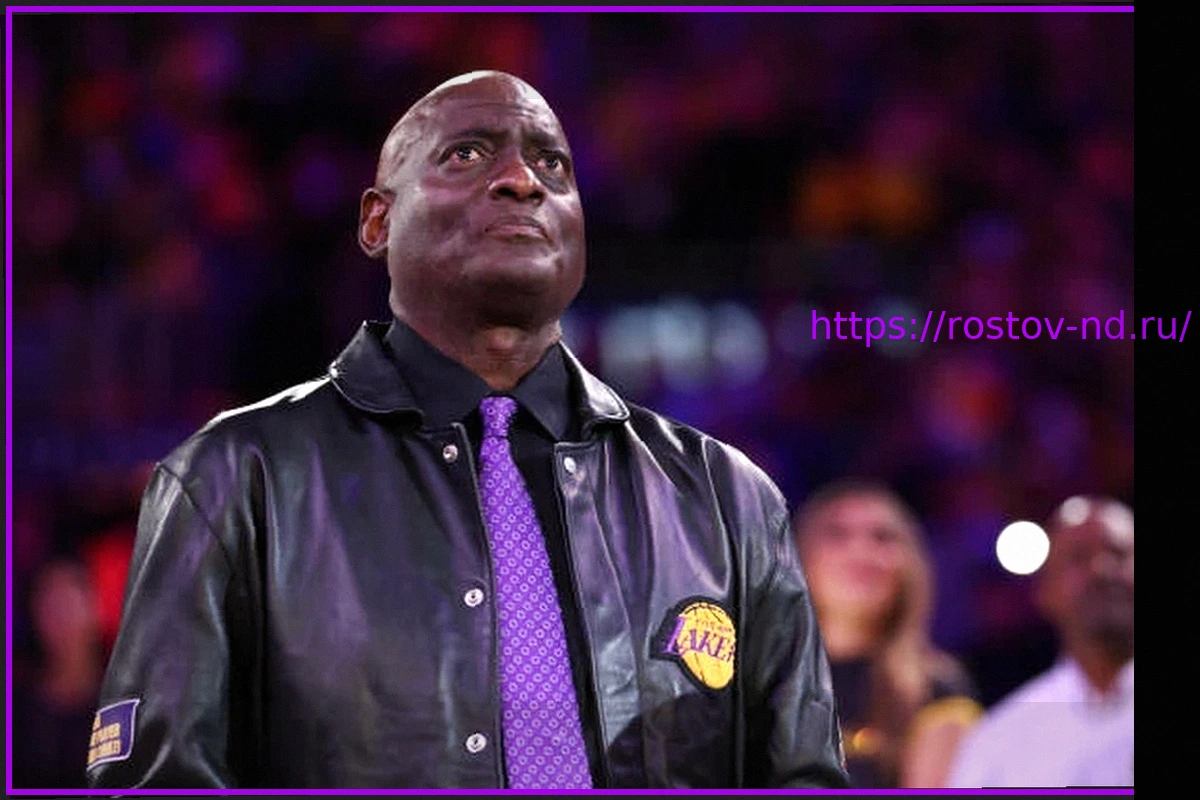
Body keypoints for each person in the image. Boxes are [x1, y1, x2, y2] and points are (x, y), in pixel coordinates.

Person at [86, 71, 849, 789]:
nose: (522, 179)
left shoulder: (726, 499)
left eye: (552, 164)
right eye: (467, 154)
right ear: (378, 221)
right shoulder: (235, 477)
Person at [793, 480, 982, 788]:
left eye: (883, 537)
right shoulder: (757, 681)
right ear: (798, 556)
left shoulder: (937, 689)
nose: (861, 552)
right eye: (837, 534)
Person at [948, 495, 1134, 787]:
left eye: (1119, 554)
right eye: (1078, 557)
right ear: (1045, 592)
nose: (1101, 570)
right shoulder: (1000, 740)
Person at [13, 558, 106, 788]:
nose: (62, 618)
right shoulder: (17, 710)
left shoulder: (126, 701)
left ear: (95, 608)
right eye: (51, 606)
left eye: (70, 603)